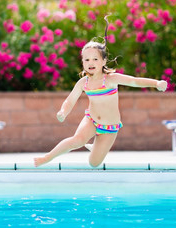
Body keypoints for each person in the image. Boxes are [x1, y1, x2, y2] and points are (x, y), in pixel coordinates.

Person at [34, 16, 167, 168]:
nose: (91, 63)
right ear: (83, 62)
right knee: (77, 140)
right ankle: (47, 157)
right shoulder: (84, 82)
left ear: (103, 61)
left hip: (109, 127)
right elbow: (70, 100)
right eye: (87, 60)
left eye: (95, 59)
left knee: (94, 163)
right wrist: (63, 112)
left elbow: (134, 81)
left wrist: (156, 83)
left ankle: (96, 148)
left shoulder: (111, 79)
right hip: (91, 120)